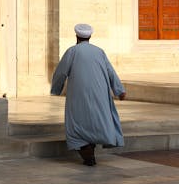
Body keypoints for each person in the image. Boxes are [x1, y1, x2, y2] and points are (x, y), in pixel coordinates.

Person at [50, 23, 126, 166]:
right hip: (100, 92)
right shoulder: (99, 51)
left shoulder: (72, 51)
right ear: (90, 36)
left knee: (78, 119)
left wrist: (56, 89)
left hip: (79, 93)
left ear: (77, 36)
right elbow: (111, 71)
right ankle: (89, 149)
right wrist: (119, 90)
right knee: (96, 118)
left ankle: (86, 150)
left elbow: (61, 72)